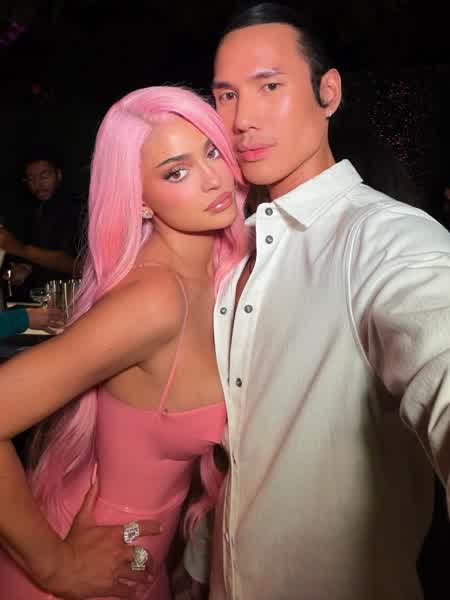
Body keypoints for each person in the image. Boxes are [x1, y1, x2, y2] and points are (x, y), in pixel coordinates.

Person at [182, 4, 450, 599]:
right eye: (226, 96)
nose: (242, 119)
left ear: (328, 92)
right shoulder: (234, 250)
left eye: (269, 86)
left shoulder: (387, 239)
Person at [0, 86, 247, 599]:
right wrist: (56, 568)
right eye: (176, 172)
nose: (213, 177)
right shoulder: (155, 301)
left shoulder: (219, 274)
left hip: (139, 562)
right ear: (139, 199)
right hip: (87, 572)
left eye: (212, 150)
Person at [0, 154, 83, 299]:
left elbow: (77, 266)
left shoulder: (78, 209)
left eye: (44, 176)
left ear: (59, 175)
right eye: (31, 179)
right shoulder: (34, 210)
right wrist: (27, 267)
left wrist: (19, 249)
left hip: (74, 299)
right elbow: (43, 253)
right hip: (43, 299)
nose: (37, 184)